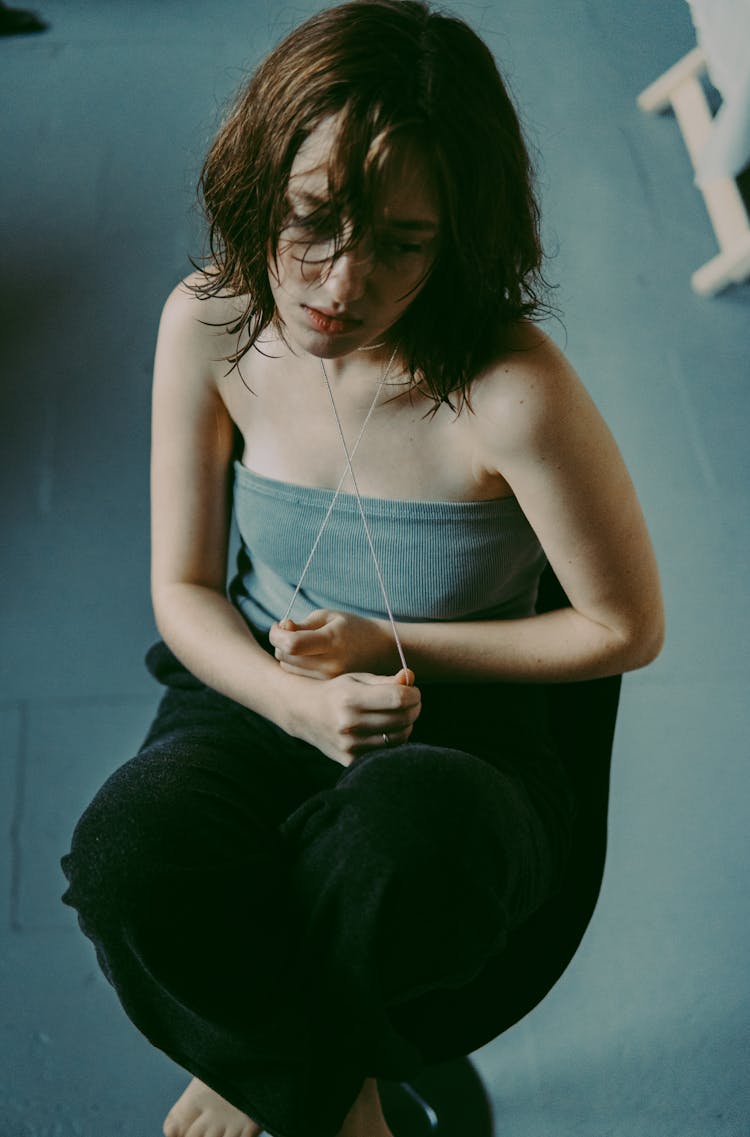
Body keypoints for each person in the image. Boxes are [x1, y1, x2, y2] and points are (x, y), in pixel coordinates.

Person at [61, 3, 665, 1137]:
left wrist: (393, 645)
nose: (342, 281)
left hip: (469, 737)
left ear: (460, 238)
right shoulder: (211, 326)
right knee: (126, 856)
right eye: (314, 220)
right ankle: (324, 1090)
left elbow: (626, 627)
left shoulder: (514, 390)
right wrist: (294, 697)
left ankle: (257, 1075)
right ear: (262, 180)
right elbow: (185, 594)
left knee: (406, 841)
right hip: (253, 691)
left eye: (402, 243)